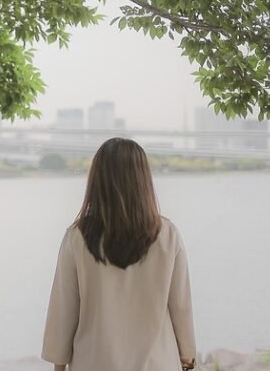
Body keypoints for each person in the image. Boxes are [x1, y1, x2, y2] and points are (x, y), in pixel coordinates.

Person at [41, 137, 196, 371]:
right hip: (157, 363)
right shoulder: (168, 235)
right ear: (143, 180)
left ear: (97, 180)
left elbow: (63, 311)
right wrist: (188, 358)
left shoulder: (77, 237)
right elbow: (181, 307)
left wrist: (59, 366)